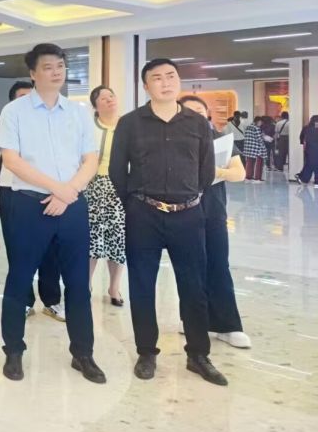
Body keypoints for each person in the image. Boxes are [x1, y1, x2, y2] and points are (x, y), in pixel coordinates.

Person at [110, 59, 227, 386]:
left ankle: (198, 354)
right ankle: (146, 352)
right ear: (146, 86)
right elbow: (117, 171)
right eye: (157, 78)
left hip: (188, 215)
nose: (165, 82)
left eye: (171, 76)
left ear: (179, 81)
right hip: (143, 214)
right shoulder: (130, 123)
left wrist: (189, 197)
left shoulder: (197, 122)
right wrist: (134, 205)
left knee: (193, 286)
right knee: (142, 286)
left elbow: (206, 171)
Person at [0, 44, 103, 384]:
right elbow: (12, 161)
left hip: (72, 206)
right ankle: (14, 351)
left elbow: (91, 159)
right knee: (19, 278)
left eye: (60, 66)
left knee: (78, 283)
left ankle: (83, 353)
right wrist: (58, 188)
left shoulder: (78, 112)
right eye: (48, 67)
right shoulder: (14, 111)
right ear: (33, 73)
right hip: (30, 205)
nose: (56, 72)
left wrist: (69, 192)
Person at [0, 80, 63, 319]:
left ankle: (52, 301)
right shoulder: (1, 128)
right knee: (18, 250)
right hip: (12, 194)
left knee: (51, 249)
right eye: (22, 97)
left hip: (47, 193)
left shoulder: (49, 124)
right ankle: (24, 300)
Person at [179, 96, 251, 349]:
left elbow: (239, 173)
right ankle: (192, 320)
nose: (195, 115)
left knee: (218, 265)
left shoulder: (220, 139)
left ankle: (228, 326)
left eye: (199, 110)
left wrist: (214, 171)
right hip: (181, 213)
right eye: (189, 111)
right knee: (189, 269)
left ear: (207, 114)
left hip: (213, 212)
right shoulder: (171, 141)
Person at [87, 86, 126, 307]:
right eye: (103, 98)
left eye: (112, 96)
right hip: (92, 187)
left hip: (120, 189)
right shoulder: (89, 128)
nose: (110, 100)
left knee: (118, 239)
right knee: (92, 239)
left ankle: (114, 287)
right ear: (96, 105)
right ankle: (86, 284)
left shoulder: (127, 126)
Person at [242, 116, 267, 183]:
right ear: (258, 121)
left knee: (249, 163)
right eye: (261, 122)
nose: (261, 124)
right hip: (256, 149)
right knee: (258, 164)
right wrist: (264, 148)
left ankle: (248, 178)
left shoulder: (248, 127)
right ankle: (257, 178)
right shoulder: (256, 128)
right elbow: (259, 139)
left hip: (248, 148)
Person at [295, 115, 318, 185]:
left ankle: (302, 178)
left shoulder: (306, 128)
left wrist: (304, 143)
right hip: (314, 148)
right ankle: (312, 181)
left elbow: (301, 138)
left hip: (309, 148)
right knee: (314, 164)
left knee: (310, 164)